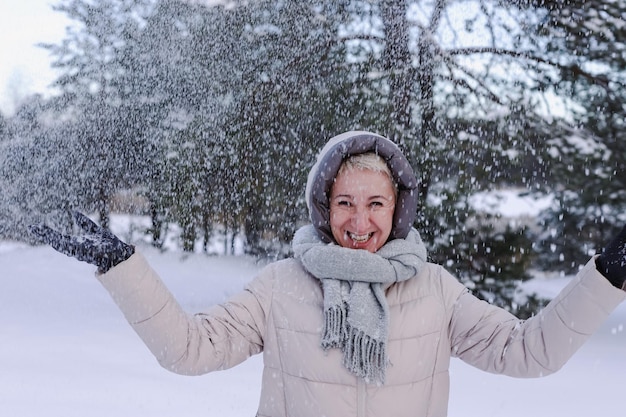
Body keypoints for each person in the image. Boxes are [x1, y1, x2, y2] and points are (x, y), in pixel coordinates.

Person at [29, 130, 626, 417]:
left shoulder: (436, 290)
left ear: (397, 211)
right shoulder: (281, 286)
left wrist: (606, 277)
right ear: (323, 207)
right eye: (344, 203)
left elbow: (529, 353)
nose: (360, 222)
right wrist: (122, 268)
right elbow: (189, 350)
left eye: (375, 204)